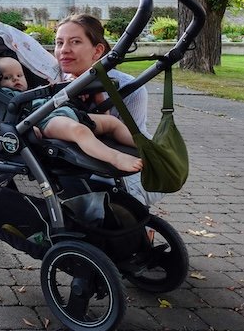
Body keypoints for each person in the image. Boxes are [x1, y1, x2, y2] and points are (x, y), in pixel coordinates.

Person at [53, 13, 163, 206]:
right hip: (80, 162)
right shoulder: (57, 82)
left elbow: (128, 140)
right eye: (59, 42)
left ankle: (136, 226)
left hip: (133, 167)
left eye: (75, 42)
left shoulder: (129, 88)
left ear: (97, 51)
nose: (64, 50)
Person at [0, 56, 142, 173]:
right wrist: (27, 128)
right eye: (7, 77)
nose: (15, 79)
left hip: (71, 113)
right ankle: (115, 158)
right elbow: (8, 116)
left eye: (19, 75)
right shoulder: (7, 96)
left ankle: (144, 146)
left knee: (112, 122)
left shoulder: (33, 90)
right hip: (47, 121)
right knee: (79, 131)